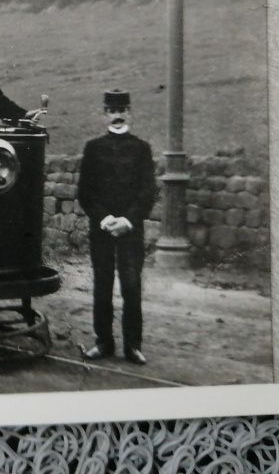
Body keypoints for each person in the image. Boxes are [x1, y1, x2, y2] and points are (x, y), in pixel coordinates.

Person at [76, 89, 157, 366]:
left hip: (130, 232)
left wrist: (127, 220)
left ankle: (133, 346)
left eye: (122, 110)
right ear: (104, 115)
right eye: (112, 111)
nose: (118, 115)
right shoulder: (93, 148)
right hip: (102, 230)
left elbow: (148, 191)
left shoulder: (141, 148)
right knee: (102, 285)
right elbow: (85, 192)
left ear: (130, 112)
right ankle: (103, 342)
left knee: (131, 286)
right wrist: (104, 219)